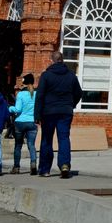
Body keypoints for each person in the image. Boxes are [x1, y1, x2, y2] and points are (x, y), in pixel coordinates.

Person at [35, 50, 82, 179]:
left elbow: (40, 96)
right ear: (62, 60)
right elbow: (79, 93)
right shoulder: (71, 75)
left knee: (46, 139)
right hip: (65, 111)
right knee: (64, 138)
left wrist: (37, 115)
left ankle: (45, 169)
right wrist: (71, 104)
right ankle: (65, 165)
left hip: (48, 112)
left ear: (52, 60)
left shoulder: (46, 75)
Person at [8, 73, 37, 174]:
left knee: (18, 145)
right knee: (31, 145)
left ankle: (16, 167)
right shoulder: (36, 94)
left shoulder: (20, 94)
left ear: (24, 83)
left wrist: (10, 108)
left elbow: (18, 109)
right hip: (32, 122)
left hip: (20, 122)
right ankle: (33, 164)